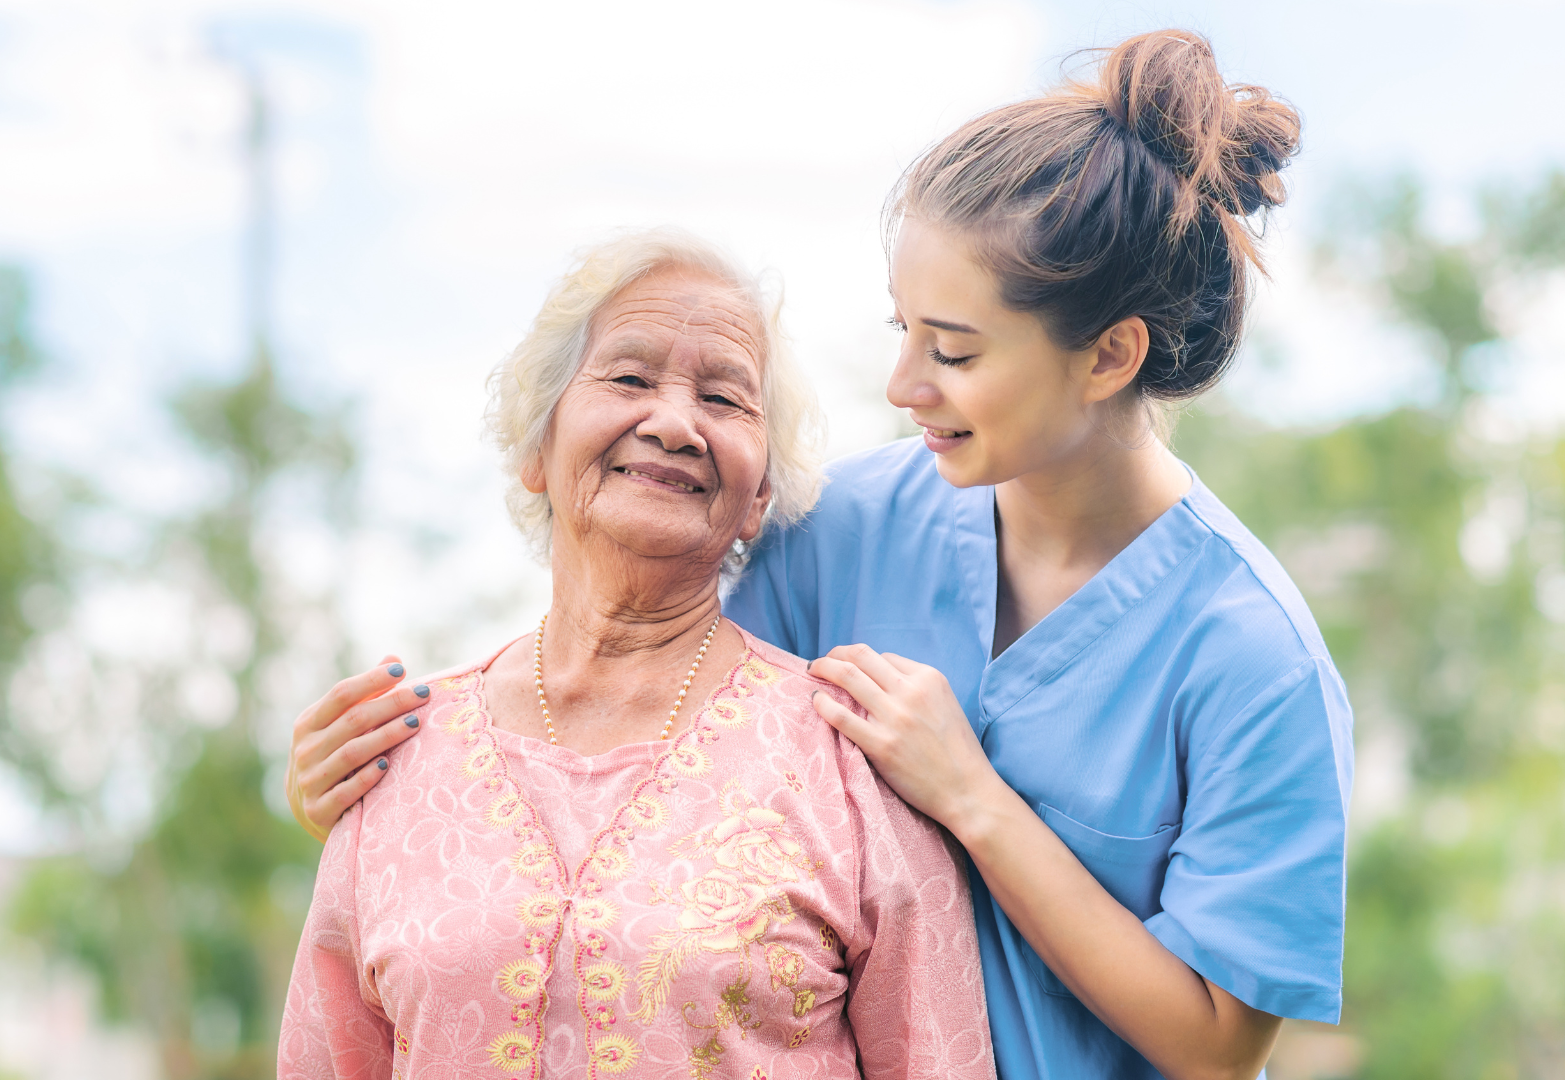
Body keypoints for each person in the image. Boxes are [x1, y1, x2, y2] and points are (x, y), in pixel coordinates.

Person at [289, 29, 1351, 1080]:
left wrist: (972, 798)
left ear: (1110, 355)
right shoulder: (839, 529)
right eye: (903, 330)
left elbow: (1217, 1048)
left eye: (955, 351)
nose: (903, 386)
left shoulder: (1254, 659)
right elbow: (649, 736)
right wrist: (395, 801)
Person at [276, 229, 995, 1079]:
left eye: (725, 400)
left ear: (760, 493)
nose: (675, 423)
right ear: (535, 447)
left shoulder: (853, 761)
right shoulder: (395, 755)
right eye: (628, 378)